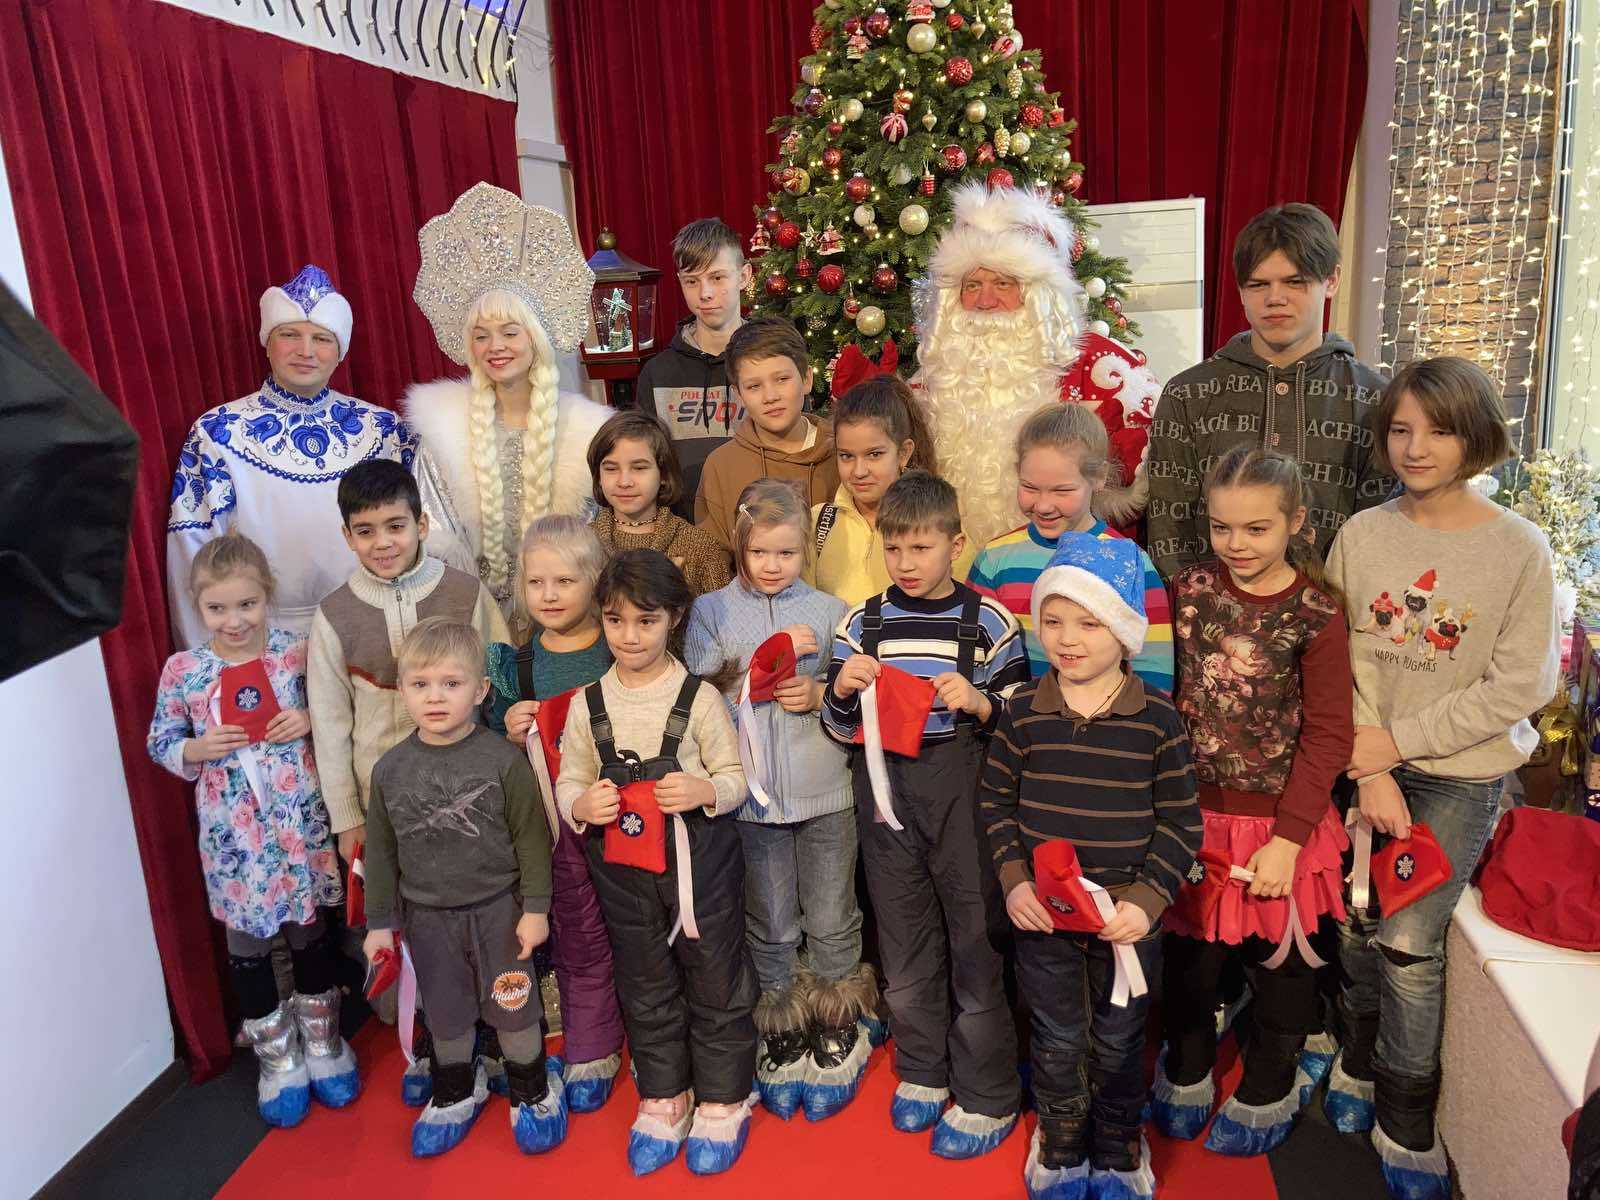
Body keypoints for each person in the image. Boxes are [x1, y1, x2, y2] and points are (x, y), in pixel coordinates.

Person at [1323, 357, 1559, 1200]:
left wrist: (1398, 744)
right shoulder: (1363, 533)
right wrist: (1369, 763)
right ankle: (1354, 1058)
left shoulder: (1518, 547)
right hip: (1364, 763)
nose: (1416, 447)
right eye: (1401, 430)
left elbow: (1521, 684)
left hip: (1460, 775)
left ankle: (1406, 1113)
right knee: (1353, 922)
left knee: (1410, 944)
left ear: (1476, 436)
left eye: (1439, 430)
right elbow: (1334, 655)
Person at [979, 533, 1201, 1200]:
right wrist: (1014, 882)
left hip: (1126, 922)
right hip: (1045, 921)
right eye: (1053, 621)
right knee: (1055, 1036)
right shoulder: (1022, 711)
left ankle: (1118, 1140)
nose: (1067, 639)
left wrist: (1146, 900)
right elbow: (996, 804)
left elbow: (1181, 822)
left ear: (1125, 631)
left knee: (1121, 1038)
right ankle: (1061, 1137)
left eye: (1089, 622)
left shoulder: (1157, 720)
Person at [1152, 446, 1355, 1158]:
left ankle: (1272, 1080)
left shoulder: (1317, 612)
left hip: (1279, 823)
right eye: (1221, 527)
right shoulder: (1187, 590)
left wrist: (1289, 838)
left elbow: (1329, 733)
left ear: (1295, 522)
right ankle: (1187, 1062)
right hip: (1194, 816)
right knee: (1192, 959)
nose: (1236, 544)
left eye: (1256, 529)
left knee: (1284, 965)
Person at [821, 470, 1030, 1160]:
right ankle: (921, 1067)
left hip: (964, 790)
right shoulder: (862, 624)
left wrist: (981, 703)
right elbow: (836, 727)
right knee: (903, 935)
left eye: (922, 547)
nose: (906, 563)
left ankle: (988, 1090)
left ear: (956, 544)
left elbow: (1021, 726)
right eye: (894, 548)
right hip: (885, 793)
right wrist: (842, 690)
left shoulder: (990, 622)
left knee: (975, 935)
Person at [306, 460, 508, 1100]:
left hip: (469, 795)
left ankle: (495, 1033)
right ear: (347, 536)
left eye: (395, 525)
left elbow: (501, 680)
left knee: (477, 910)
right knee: (403, 920)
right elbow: (329, 722)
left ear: (421, 524)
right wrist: (347, 816)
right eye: (365, 531)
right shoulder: (334, 615)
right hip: (384, 804)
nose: (383, 542)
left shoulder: (464, 593)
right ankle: (425, 1040)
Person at [554, 550, 759, 1177]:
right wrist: (582, 804)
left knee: (716, 974)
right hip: (622, 869)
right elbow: (568, 782)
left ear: (674, 618)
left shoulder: (700, 699)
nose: (629, 636)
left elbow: (737, 778)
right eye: (615, 620)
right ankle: (665, 1092)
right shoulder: (588, 703)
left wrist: (704, 790)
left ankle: (724, 1095)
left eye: (646, 621)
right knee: (644, 979)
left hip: (700, 866)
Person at [146, 534, 355, 1128]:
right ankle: (277, 1060)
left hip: (298, 823)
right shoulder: (184, 671)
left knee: (309, 930)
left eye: (247, 604)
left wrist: (308, 718)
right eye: (217, 608)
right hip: (234, 839)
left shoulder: (296, 652)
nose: (234, 620)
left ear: (267, 596)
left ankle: (324, 1045)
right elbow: (160, 740)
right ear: (198, 605)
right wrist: (197, 746)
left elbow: (338, 710)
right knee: (248, 943)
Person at [684, 479, 875, 1123]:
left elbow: (853, 688)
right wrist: (766, 662)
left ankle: (837, 1015)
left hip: (826, 790)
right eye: (759, 552)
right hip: (752, 798)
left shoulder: (831, 609)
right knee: (768, 915)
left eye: (786, 553)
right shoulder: (711, 611)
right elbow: (699, 688)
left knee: (831, 909)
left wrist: (819, 691)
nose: (772, 565)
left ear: (804, 553)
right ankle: (782, 1018)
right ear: (740, 547)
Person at [362, 618, 565, 1158]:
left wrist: (535, 910)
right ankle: (454, 1090)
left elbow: (531, 841)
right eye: (421, 684)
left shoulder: (503, 760)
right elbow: (380, 854)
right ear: (402, 689)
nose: (435, 697)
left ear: (480, 691)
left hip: (500, 914)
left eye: (451, 684)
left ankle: (531, 1089)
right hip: (428, 920)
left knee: (514, 1006)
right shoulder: (389, 770)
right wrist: (380, 924)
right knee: (446, 1012)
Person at [165, 264, 415, 646]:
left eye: (322, 338)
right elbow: (193, 554)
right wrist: (214, 659)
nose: (306, 351)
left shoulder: (383, 430)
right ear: (267, 341)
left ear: (341, 350)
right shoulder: (218, 433)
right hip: (259, 637)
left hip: (375, 629)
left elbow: (417, 537)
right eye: (290, 334)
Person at [1146, 203, 1392, 580]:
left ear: (1331, 280)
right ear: (1241, 291)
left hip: (1335, 610)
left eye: (1295, 282)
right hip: (1204, 612)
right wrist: (1196, 609)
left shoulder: (1375, 399)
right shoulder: (1188, 394)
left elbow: (1376, 535)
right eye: (1258, 284)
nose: (1275, 298)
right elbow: (1168, 532)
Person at [406, 182, 613, 620]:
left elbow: (603, 532)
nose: (495, 347)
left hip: (570, 619)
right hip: (472, 621)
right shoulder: (444, 436)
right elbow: (433, 537)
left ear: (535, 338)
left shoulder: (588, 433)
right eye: (481, 336)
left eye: (509, 332)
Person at [910, 182, 1149, 547]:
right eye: (971, 285)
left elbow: (1148, 480)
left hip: (1075, 564)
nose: (984, 301)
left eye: (1003, 283)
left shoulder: (1102, 368)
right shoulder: (931, 380)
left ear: (1039, 295)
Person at [482, 515, 626, 1115]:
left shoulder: (621, 647)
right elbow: (493, 752)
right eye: (535, 582)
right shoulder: (515, 666)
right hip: (554, 830)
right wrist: (511, 730)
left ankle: (653, 1035)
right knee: (578, 934)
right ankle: (592, 1044)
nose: (548, 595)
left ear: (596, 580)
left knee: (640, 934)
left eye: (564, 581)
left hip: (624, 818)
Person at [968, 404, 1174, 693]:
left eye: (1062, 491)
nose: (1043, 505)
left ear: (1099, 477)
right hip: (1012, 717)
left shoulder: (1131, 562)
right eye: (1030, 487)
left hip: (1105, 718)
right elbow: (973, 656)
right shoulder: (994, 559)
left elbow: (1154, 673)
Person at [810, 373, 976, 606]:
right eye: (846, 456)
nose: (859, 471)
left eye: (874, 454)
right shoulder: (819, 522)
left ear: (903, 453)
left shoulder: (940, 522)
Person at [635, 219, 753, 511]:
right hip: (682, 529)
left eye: (717, 278)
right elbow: (646, 466)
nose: (705, 294)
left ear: (744, 276)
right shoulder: (657, 374)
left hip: (763, 529)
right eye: (692, 281)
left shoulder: (771, 364)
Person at [695, 316, 839, 551]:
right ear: (739, 395)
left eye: (782, 379)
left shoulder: (843, 453)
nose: (770, 396)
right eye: (754, 386)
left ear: (806, 379)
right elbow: (713, 558)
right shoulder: (720, 466)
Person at [588, 410, 733, 596]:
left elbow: (722, 612)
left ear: (663, 474)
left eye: (639, 468)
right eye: (611, 469)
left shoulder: (699, 547)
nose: (624, 482)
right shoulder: (580, 546)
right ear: (598, 476)